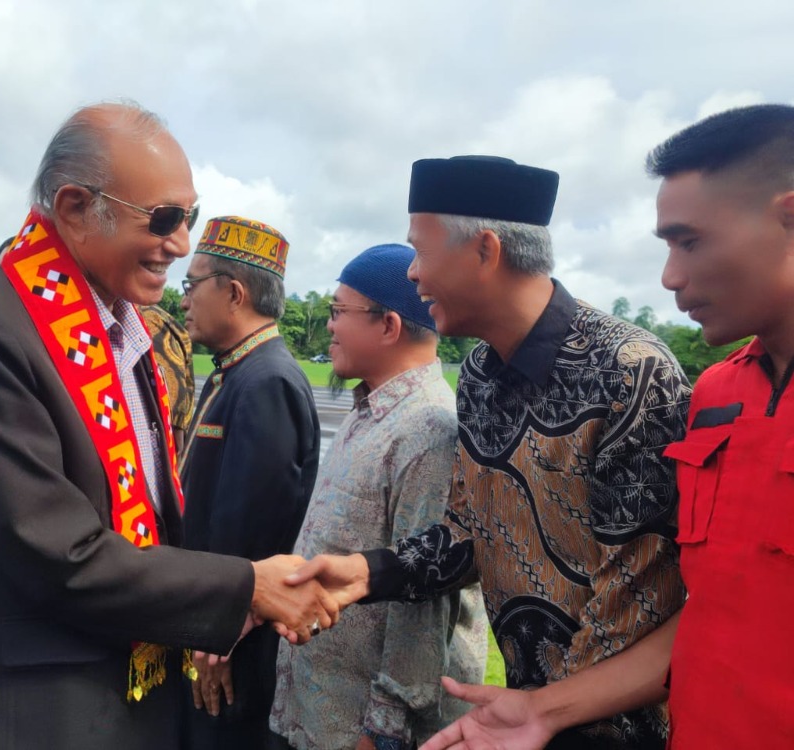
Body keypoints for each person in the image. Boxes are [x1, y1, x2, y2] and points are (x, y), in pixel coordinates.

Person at [0, 101, 339, 750]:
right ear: (77, 206)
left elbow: (155, 515)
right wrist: (247, 588)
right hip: (32, 711)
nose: (182, 243)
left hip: (127, 690)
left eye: (188, 218)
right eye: (164, 219)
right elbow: (56, 552)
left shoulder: (124, 328)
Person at [416, 103, 794, 750]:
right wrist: (546, 711)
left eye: (691, 240)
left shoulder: (633, 371)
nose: (671, 276)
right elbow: (706, 614)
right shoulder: (724, 393)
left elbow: (637, 595)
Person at [292, 156, 691, 749]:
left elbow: (637, 599)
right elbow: (469, 532)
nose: (412, 276)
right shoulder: (480, 374)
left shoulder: (629, 371)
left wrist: (545, 716)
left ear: (484, 250)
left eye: (420, 253)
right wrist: (365, 572)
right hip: (520, 721)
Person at [271, 243, 489, 750]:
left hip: (361, 733)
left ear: (388, 325)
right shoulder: (370, 410)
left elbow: (424, 594)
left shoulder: (428, 428)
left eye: (337, 312)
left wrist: (384, 731)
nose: (329, 326)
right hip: (320, 712)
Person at [176, 215, 320, 749]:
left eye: (191, 285)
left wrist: (218, 641)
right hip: (207, 623)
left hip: (229, 642)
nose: (183, 299)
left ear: (234, 293)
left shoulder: (267, 382)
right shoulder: (234, 372)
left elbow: (252, 533)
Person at [141, 303, 195, 454]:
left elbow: (171, 387)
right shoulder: (158, 316)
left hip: (163, 439)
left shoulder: (146, 319)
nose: (184, 303)